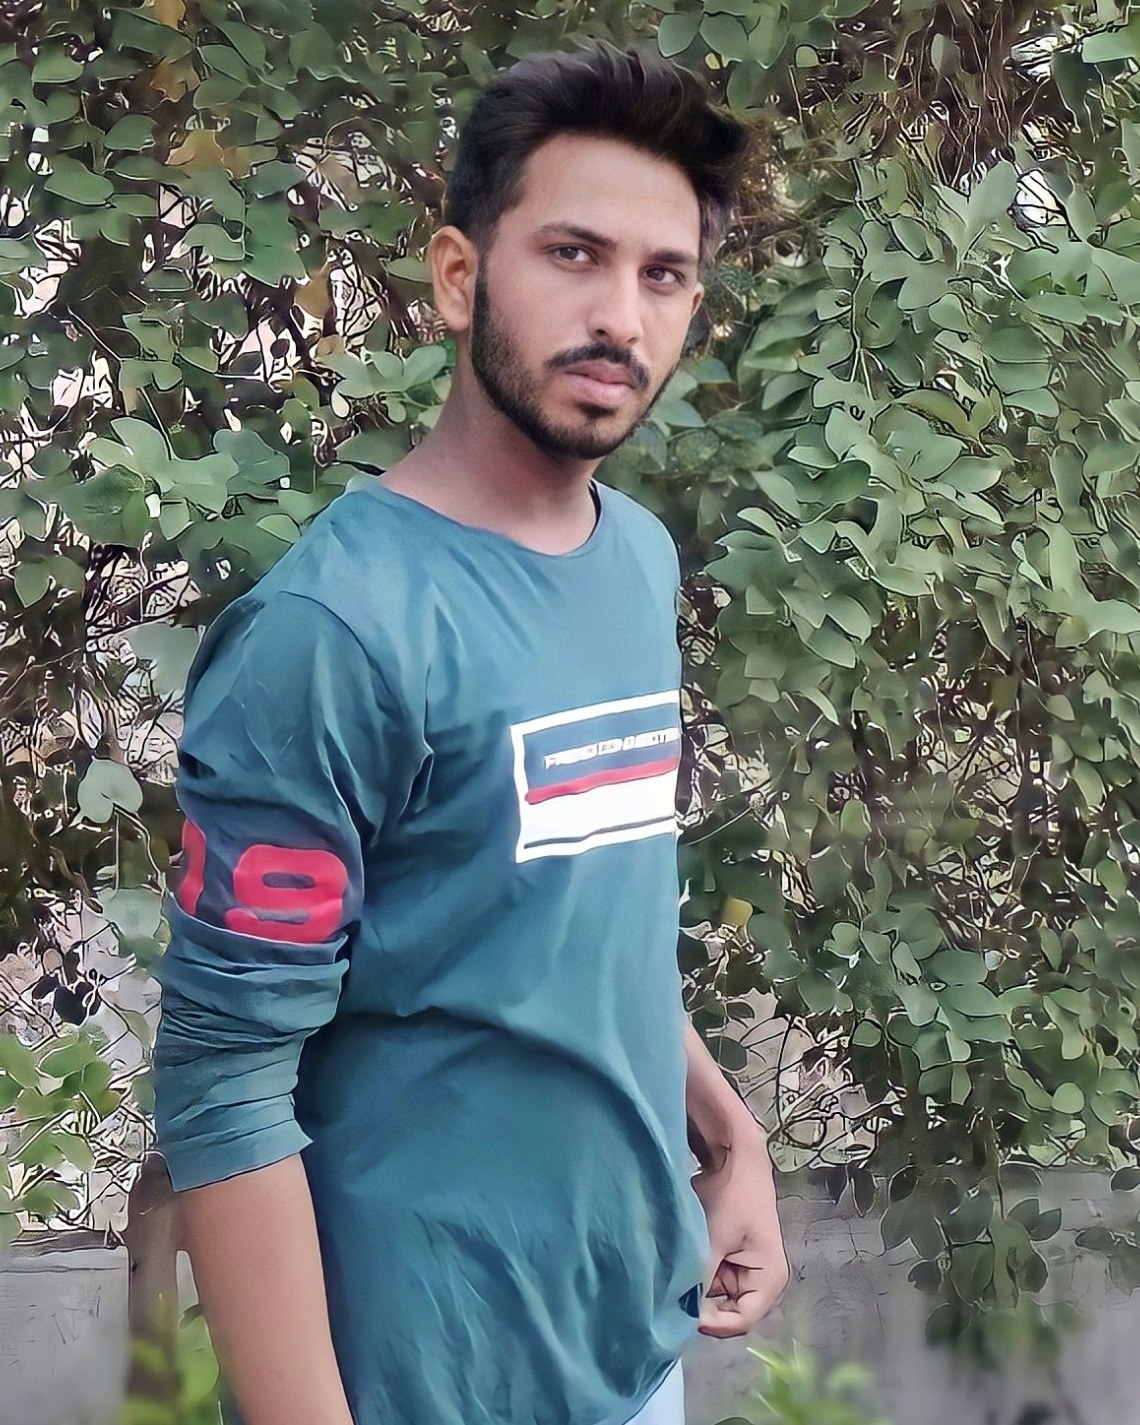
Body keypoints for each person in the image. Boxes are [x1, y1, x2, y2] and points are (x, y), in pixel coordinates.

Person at [153, 42, 788, 1425]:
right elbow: (221, 1084)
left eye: (664, 274)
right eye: (572, 254)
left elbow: (575, 919)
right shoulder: (333, 632)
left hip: (633, 1352)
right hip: (424, 1385)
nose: (619, 315)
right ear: (458, 275)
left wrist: (728, 1133)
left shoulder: (638, 560)